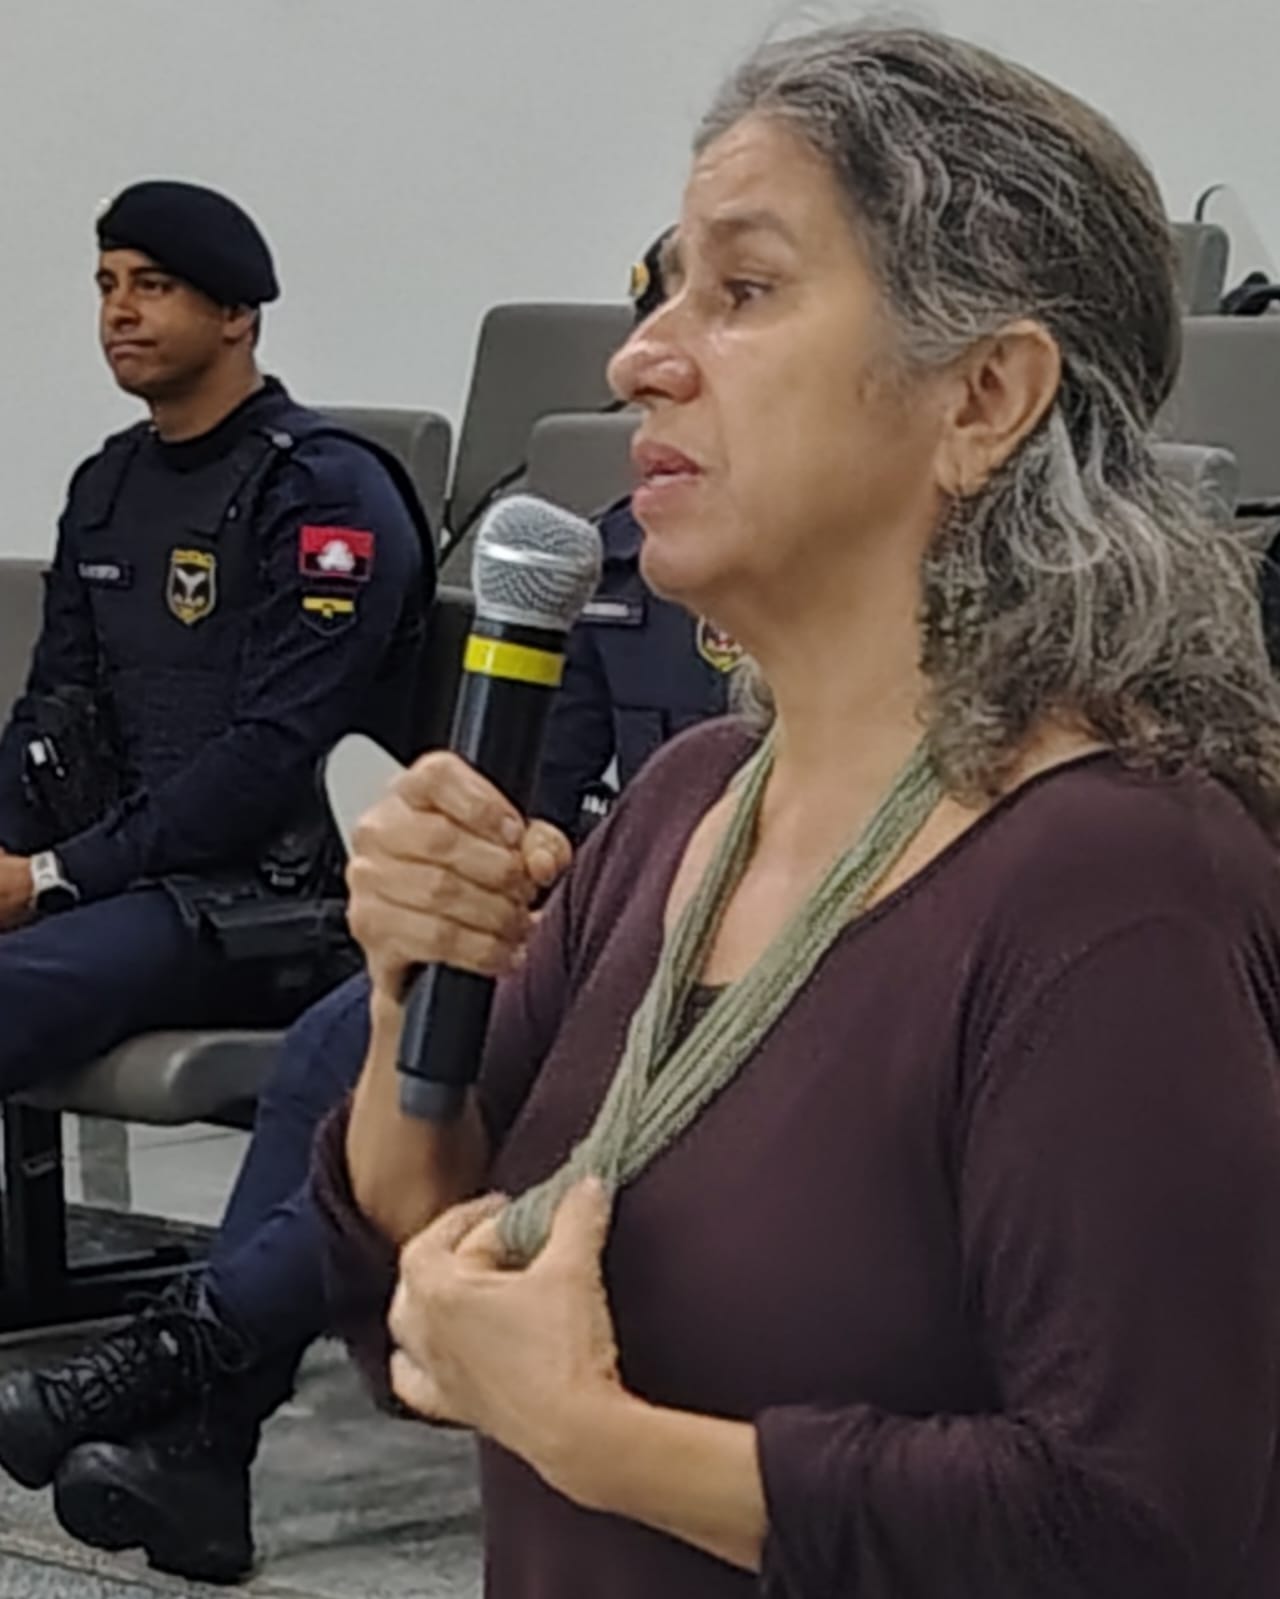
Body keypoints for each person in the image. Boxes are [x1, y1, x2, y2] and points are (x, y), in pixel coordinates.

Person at [312, 24, 1280, 1599]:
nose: (639, 357)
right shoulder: (679, 812)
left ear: (983, 394)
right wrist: (415, 991)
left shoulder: (1117, 886)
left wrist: (601, 1441)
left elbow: (1123, 1526)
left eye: (741, 290)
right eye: (660, 288)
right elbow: (426, 1277)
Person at [0, 240, 737, 1585]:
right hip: (590, 936)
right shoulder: (610, 563)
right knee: (338, 1052)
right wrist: (521, 868)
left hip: (723, 966)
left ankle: (176, 1366)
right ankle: (205, 1447)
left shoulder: (838, 572)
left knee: (427, 1054)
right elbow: (548, 794)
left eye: (734, 306)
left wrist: (56, 874)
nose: (649, 365)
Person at [0, 180, 432, 1096]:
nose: (119, 311)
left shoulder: (323, 492)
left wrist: (51, 875)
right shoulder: (108, 484)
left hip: (268, 902)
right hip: (121, 876)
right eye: (107, 285)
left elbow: (277, 750)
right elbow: (52, 709)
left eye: (152, 285)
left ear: (237, 314)